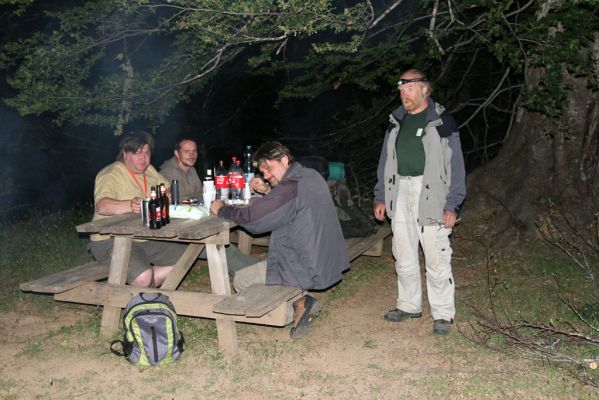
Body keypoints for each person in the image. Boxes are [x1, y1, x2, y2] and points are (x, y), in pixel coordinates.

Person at [210, 141, 349, 339]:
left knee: (242, 280)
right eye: (262, 170)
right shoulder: (310, 175)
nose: (265, 175)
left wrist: (221, 209)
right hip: (327, 258)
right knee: (258, 271)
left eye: (268, 168)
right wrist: (268, 192)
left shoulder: (290, 187)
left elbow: (253, 220)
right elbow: (291, 205)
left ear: (284, 160)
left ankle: (297, 307)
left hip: (306, 264)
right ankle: (300, 299)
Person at [88, 131, 257, 288]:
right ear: (125, 153)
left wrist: (167, 194)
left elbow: (168, 188)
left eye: (147, 153)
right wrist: (131, 205)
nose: (143, 158)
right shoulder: (112, 173)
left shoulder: (149, 171)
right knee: (144, 278)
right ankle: (143, 288)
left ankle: (259, 274)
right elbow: (102, 206)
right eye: (138, 153)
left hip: (145, 236)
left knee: (200, 250)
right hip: (110, 240)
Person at [373, 69, 466, 335]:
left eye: (410, 89)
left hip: (433, 194)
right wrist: (381, 196)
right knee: (403, 252)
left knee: (436, 255)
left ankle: (443, 314)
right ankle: (409, 304)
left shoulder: (442, 121)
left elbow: (456, 166)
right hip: (400, 190)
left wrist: (453, 203)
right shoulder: (395, 121)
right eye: (401, 90)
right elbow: (385, 163)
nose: (404, 95)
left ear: (425, 89)